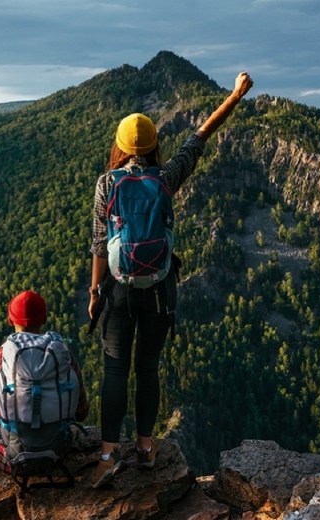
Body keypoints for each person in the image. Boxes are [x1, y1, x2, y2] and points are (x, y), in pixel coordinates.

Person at [88, 72, 254, 488]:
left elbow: (96, 243)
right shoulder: (165, 178)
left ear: (122, 146)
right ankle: (146, 449)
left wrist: (95, 291)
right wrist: (234, 95)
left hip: (119, 290)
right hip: (160, 290)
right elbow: (201, 135)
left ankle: (108, 455)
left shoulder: (107, 183)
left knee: (114, 369)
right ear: (152, 145)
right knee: (147, 368)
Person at [0, 290, 89, 473]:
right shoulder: (63, 358)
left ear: (10, 320)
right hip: (57, 452)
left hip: (11, 458)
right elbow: (81, 412)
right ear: (44, 319)